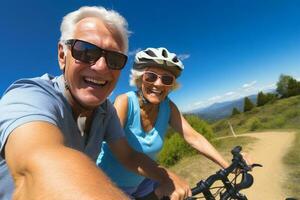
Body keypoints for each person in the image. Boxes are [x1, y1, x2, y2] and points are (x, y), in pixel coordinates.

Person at [0, 7, 191, 200]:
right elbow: (36, 167)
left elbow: (127, 155)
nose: (101, 67)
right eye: (85, 51)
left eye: (114, 59)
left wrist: (165, 175)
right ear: (62, 55)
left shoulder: (105, 110)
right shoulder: (29, 97)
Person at [97, 47, 232, 199]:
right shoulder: (125, 102)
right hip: (109, 185)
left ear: (171, 86)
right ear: (140, 78)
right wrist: (166, 176)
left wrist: (227, 166)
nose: (159, 84)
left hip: (144, 181)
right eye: (151, 77)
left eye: (167, 79)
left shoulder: (168, 107)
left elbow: (193, 137)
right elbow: (123, 153)